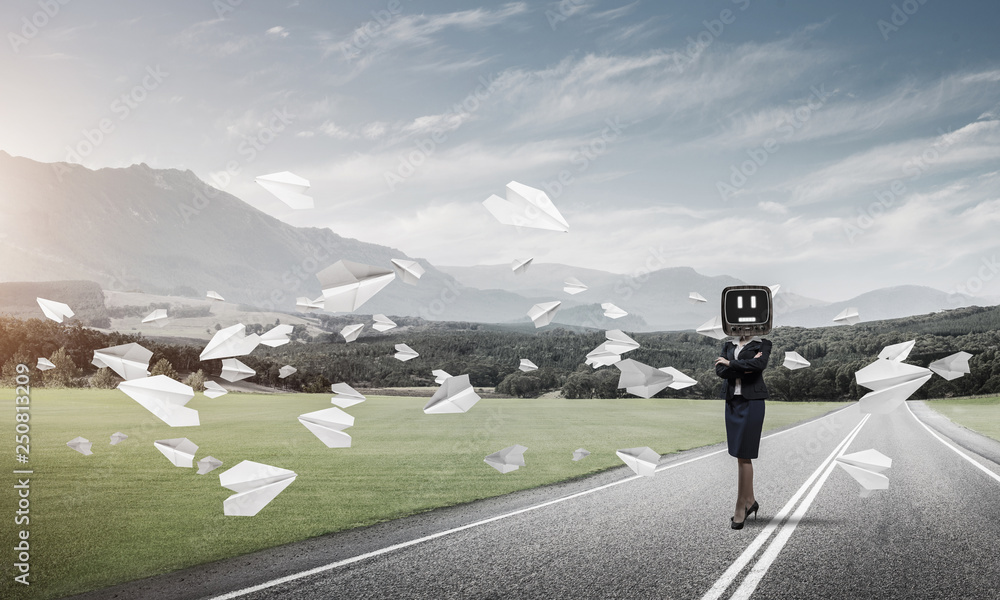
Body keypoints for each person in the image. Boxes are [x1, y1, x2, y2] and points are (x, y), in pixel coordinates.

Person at [714, 335, 772, 530]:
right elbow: (720, 371)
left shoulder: (763, 343)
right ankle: (751, 501)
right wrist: (745, 366)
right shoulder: (728, 344)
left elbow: (759, 366)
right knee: (739, 455)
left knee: (744, 454)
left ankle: (741, 506)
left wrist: (731, 363)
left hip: (752, 403)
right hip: (732, 402)